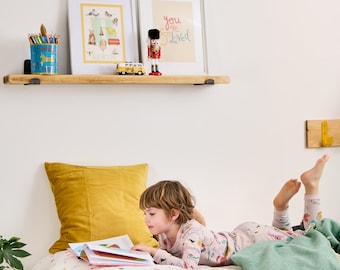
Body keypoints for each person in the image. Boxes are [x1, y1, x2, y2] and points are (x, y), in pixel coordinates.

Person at [132, 155, 329, 268]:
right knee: (289, 236)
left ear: (173, 214)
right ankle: (280, 209)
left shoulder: (191, 232)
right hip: (241, 235)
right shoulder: (164, 235)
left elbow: (188, 266)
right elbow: (167, 257)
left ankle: (311, 187)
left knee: (310, 235)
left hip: (251, 240)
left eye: (151, 213)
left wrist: (153, 252)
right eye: (145, 213)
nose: (145, 219)